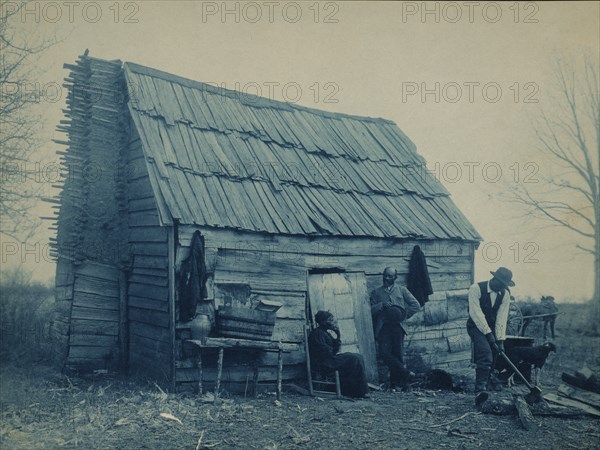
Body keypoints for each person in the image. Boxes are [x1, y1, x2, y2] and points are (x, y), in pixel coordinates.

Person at [467, 267, 515, 406]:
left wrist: (500, 340)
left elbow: (501, 318)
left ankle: (487, 384)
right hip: (475, 325)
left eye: (504, 285)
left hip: (493, 327)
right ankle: (479, 390)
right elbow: (476, 314)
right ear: (494, 279)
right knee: (486, 354)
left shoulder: (504, 294)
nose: (501, 287)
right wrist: (489, 335)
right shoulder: (476, 288)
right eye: (500, 284)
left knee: (495, 353)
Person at [370, 267, 421, 390]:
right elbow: (370, 310)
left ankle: (397, 384)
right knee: (383, 353)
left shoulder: (402, 290)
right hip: (383, 327)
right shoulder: (376, 292)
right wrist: (381, 305)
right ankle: (405, 373)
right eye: (385, 275)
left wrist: (402, 315)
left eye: (389, 276)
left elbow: (416, 305)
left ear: (395, 278)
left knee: (397, 354)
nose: (386, 278)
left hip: (398, 326)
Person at [308, 310, 369, 398]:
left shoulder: (326, 333)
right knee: (353, 359)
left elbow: (334, 350)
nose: (332, 322)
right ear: (323, 322)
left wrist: (338, 334)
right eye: (330, 320)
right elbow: (325, 352)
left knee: (358, 356)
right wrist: (333, 350)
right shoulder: (317, 334)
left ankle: (359, 391)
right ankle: (357, 392)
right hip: (322, 363)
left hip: (329, 359)